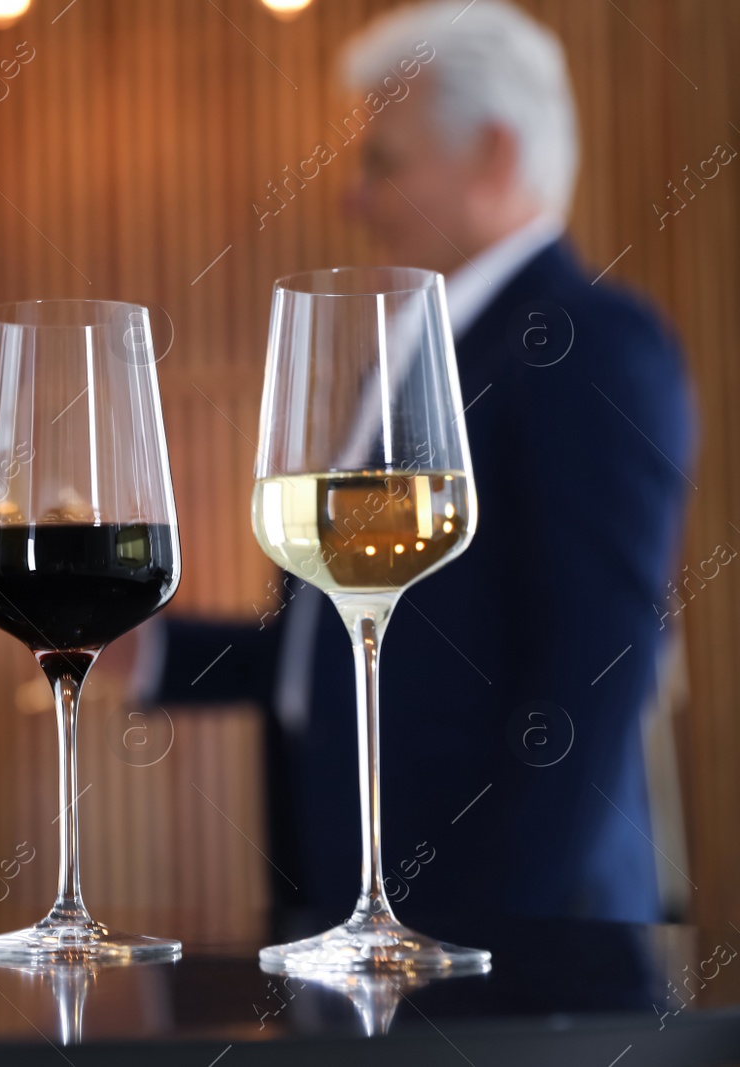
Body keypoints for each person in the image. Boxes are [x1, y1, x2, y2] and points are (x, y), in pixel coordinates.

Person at [137, 0, 693, 923]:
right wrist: (155, 650)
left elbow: (600, 660)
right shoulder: (411, 356)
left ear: (496, 154)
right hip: (368, 922)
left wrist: (491, 930)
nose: (350, 197)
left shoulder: (589, 342)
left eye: (382, 162)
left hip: (505, 953)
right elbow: (345, 638)